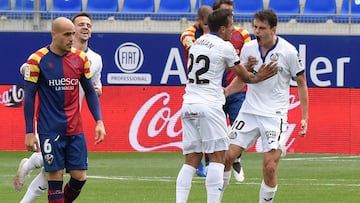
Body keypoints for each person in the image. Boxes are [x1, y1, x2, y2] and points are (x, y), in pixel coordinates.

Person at [176, 9, 277, 203]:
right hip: (210, 106)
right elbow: (246, 78)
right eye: (231, 25)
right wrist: (260, 75)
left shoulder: (197, 43)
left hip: (188, 103)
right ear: (222, 28)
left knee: (190, 161)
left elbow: (224, 67)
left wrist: (244, 69)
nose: (233, 29)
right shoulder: (225, 47)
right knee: (217, 158)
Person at [14, 12, 104, 203]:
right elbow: (29, 96)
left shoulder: (82, 59)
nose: (72, 38)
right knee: (54, 177)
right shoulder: (37, 59)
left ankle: (29, 166)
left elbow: (90, 91)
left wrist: (99, 121)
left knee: (80, 176)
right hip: (50, 128)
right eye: (68, 34)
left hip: (75, 128)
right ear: (54, 34)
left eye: (73, 34)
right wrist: (29, 132)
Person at [221, 9, 309, 202]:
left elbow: (301, 83)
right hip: (249, 111)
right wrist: (226, 92)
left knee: (270, 166)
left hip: (274, 115)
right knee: (226, 156)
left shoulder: (288, 52)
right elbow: (243, 79)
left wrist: (304, 118)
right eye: (255, 27)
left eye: (262, 28)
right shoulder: (248, 49)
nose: (257, 32)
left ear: (273, 29)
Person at [212, 0, 255, 183]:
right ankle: (218, 165)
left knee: (239, 128)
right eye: (226, 13)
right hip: (214, 92)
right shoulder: (210, 39)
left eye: (231, 12)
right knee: (217, 133)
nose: (231, 16)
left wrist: (248, 71)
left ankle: (236, 159)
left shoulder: (243, 35)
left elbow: (246, 60)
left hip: (236, 90)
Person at [180, 5, 213, 177]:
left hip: (212, 87)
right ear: (199, 21)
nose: (208, 26)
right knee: (195, 128)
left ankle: (209, 161)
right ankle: (196, 162)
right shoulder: (188, 35)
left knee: (210, 127)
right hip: (195, 86)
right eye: (206, 23)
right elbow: (196, 50)